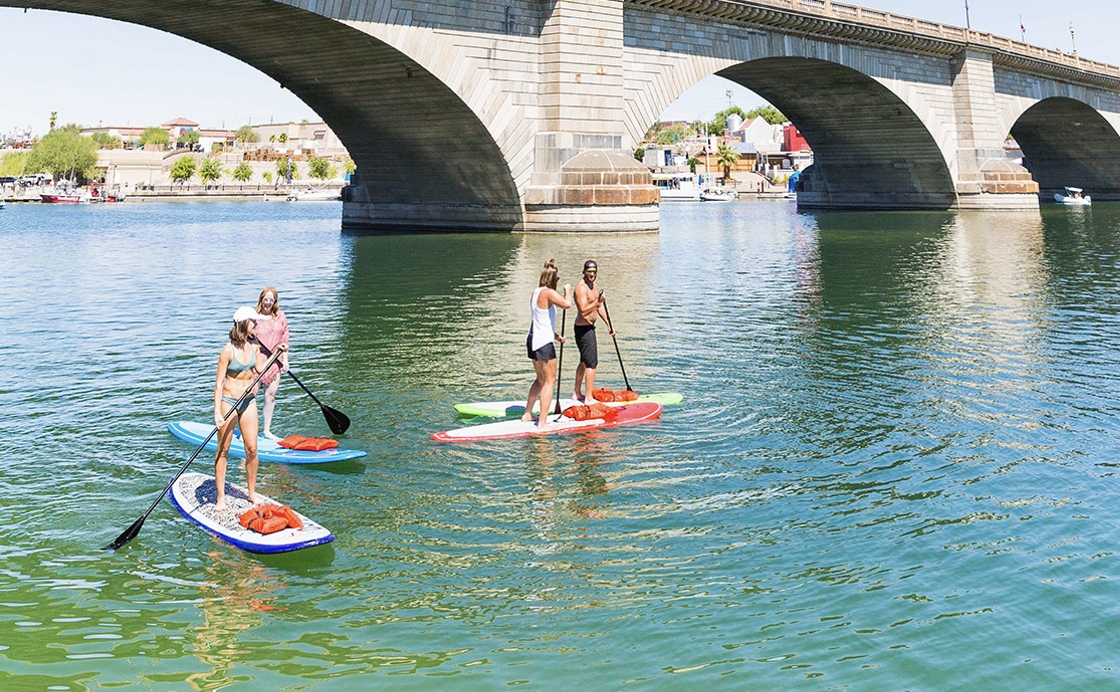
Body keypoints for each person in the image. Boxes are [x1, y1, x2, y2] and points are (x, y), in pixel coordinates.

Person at [212, 306, 286, 511]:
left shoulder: (254, 346)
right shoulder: (228, 350)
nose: (257, 325)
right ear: (244, 324)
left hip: (248, 402)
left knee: (252, 449)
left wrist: (276, 354)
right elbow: (218, 384)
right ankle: (220, 497)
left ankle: (251, 493)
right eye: (254, 322)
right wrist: (217, 412)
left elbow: (260, 370)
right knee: (223, 450)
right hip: (228, 401)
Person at [523, 259, 572, 432]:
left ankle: (527, 414)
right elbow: (567, 304)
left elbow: (540, 320)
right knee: (549, 381)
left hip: (533, 338)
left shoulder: (535, 292)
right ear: (552, 279)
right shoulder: (548, 293)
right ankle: (542, 422)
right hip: (543, 343)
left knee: (540, 379)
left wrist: (556, 336)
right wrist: (567, 291)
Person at [572, 260, 614, 402]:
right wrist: (597, 302)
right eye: (589, 272)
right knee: (592, 363)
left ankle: (576, 393)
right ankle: (588, 398)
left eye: (594, 272)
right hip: (583, 330)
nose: (592, 274)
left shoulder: (594, 286)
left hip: (589, 328)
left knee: (584, 361)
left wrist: (609, 325)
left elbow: (600, 307)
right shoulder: (581, 288)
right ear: (584, 272)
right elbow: (583, 310)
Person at [253, 286, 290, 441]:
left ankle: (267, 431)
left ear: (275, 302)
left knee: (271, 395)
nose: (268, 303)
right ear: (261, 300)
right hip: (256, 361)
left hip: (275, 363)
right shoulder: (254, 317)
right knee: (251, 396)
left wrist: (286, 361)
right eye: (265, 299)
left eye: (271, 300)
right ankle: (250, 431)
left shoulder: (281, 316)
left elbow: (285, 340)